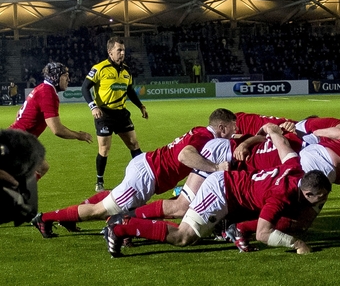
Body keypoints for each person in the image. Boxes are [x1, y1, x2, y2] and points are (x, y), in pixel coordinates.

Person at [103, 124, 331, 257]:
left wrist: (271, 129)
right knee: (183, 236)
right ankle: (123, 227)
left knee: (184, 217)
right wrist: (297, 244)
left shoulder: (294, 167)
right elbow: (263, 233)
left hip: (230, 189)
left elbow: (281, 143)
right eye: (320, 198)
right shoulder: (280, 197)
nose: (322, 201)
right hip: (221, 190)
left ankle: (126, 223)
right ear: (308, 193)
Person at [30, 108, 238, 238]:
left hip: (145, 165)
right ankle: (45, 218)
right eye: (232, 128)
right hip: (145, 176)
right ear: (221, 127)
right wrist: (215, 168)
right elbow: (185, 155)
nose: (234, 132)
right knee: (100, 211)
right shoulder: (206, 138)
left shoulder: (200, 131)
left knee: (113, 200)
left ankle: (70, 218)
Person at [83, 36, 149, 192]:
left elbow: (130, 90)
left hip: (121, 114)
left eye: (123, 50)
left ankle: (144, 175)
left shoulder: (126, 70)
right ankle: (99, 181)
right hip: (104, 114)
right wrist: (93, 107)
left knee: (134, 144)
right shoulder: (99, 68)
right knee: (104, 149)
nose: (122, 53)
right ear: (110, 52)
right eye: (119, 50)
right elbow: (84, 88)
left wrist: (140, 106)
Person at [9, 62, 93, 178]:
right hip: (17, 143)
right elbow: (57, 129)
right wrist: (79, 136)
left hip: (17, 139)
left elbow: (19, 112)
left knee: (40, 167)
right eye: (65, 75)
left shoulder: (42, 88)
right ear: (55, 76)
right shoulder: (48, 93)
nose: (68, 79)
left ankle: (20, 193)